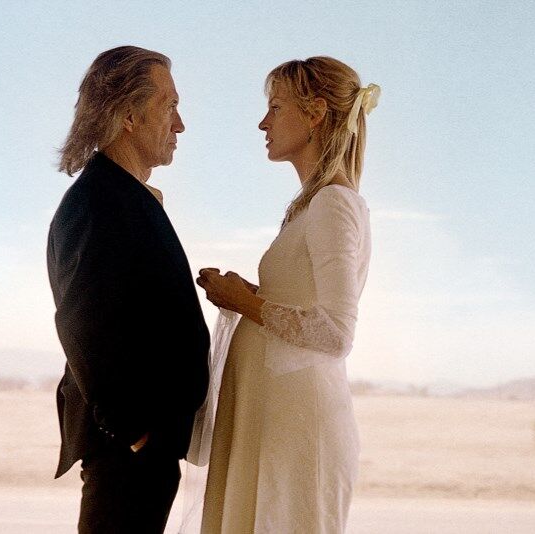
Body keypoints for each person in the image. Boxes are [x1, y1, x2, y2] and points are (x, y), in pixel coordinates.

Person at [195, 57, 380, 533]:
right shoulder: (312, 206)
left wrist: (245, 302)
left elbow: (336, 332)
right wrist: (248, 293)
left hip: (297, 424)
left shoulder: (334, 204)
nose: (264, 122)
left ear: (315, 112)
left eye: (275, 108)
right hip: (272, 412)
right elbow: (304, 306)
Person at [47, 45, 210, 533]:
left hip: (145, 448)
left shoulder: (121, 196)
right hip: (129, 449)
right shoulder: (98, 202)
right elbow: (81, 322)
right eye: (170, 106)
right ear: (130, 116)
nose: (180, 124)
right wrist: (133, 429)